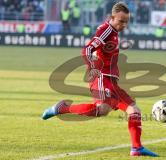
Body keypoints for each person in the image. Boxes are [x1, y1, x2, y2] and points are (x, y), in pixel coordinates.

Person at [42, 2, 159, 157]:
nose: (124, 25)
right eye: (121, 21)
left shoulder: (113, 31)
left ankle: (136, 148)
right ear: (112, 17)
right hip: (102, 77)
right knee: (102, 109)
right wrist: (92, 67)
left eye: (126, 22)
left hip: (111, 80)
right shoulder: (106, 31)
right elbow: (87, 49)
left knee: (134, 110)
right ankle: (61, 109)